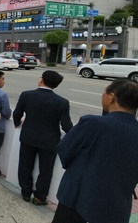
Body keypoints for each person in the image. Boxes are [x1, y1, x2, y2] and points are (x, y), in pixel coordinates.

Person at [53, 79, 138, 223]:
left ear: (111, 96)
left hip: (78, 201)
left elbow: (65, 150)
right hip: (117, 206)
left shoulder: (92, 123)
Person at [13, 70, 72, 205]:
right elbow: (66, 125)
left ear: (41, 80)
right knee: (46, 170)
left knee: (25, 165)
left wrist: (17, 124)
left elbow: (17, 114)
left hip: (28, 136)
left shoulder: (26, 95)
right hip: (50, 140)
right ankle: (40, 196)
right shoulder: (62, 102)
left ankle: (26, 192)